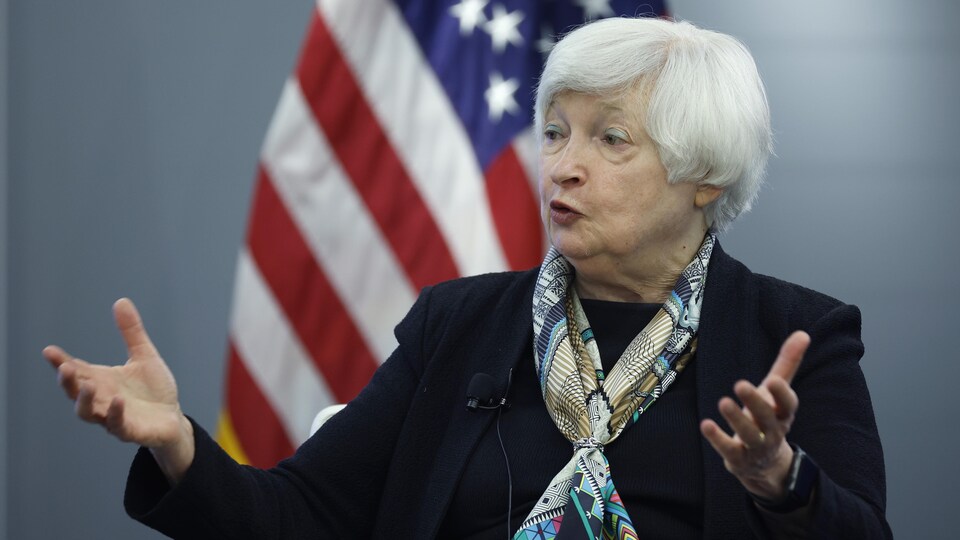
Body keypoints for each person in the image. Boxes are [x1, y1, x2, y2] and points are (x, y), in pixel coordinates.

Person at [44, 16, 891, 540]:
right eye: (555, 132)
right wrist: (179, 447)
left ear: (706, 175)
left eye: (610, 140)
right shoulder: (459, 325)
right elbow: (299, 515)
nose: (560, 167)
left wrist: (784, 483)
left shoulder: (798, 337)